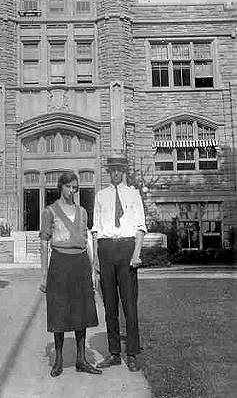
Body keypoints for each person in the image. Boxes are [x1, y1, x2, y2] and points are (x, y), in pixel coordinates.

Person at [39, 171, 102, 377]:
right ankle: (58, 360)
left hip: (80, 262)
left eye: (75, 188)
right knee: (59, 310)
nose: (72, 191)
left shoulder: (83, 211)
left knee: (81, 310)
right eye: (68, 187)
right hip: (59, 262)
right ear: (61, 187)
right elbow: (43, 243)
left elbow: (88, 241)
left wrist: (93, 269)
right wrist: (44, 276)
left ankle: (81, 359)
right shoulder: (49, 211)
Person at [92, 155, 147, 372]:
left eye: (119, 169)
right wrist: (96, 257)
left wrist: (136, 254)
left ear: (124, 171)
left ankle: (132, 353)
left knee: (130, 306)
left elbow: (140, 227)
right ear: (108, 172)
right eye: (112, 170)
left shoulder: (133, 195)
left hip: (127, 249)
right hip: (106, 249)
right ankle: (114, 353)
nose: (115, 173)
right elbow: (95, 229)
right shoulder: (100, 196)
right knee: (110, 306)